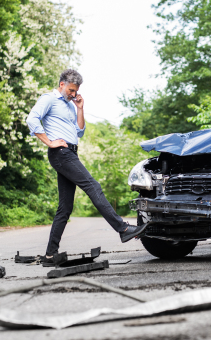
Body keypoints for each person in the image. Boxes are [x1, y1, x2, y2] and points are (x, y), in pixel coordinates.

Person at [26, 69, 148, 265]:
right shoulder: (49, 99)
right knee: (93, 186)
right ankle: (123, 229)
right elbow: (31, 119)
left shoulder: (70, 105)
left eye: (76, 91)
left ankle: (50, 254)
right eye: (71, 90)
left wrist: (80, 108)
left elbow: (79, 132)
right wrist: (49, 143)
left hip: (70, 153)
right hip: (61, 153)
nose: (73, 94)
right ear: (62, 85)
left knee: (65, 208)